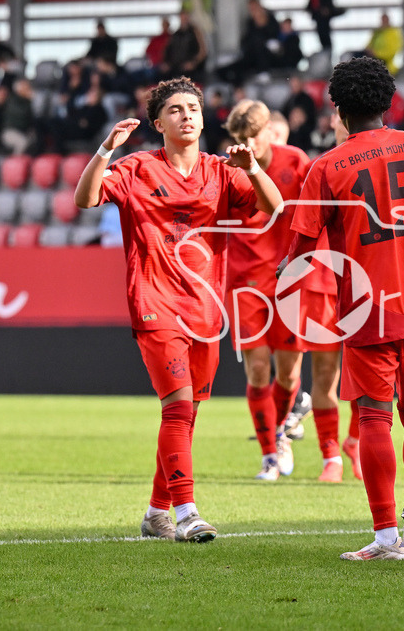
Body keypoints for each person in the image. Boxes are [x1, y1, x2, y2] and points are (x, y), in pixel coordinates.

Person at [72, 76, 283, 542]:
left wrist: (253, 168)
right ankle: (188, 513)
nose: (186, 115)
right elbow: (85, 199)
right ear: (157, 123)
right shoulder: (137, 168)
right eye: (175, 110)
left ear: (204, 119)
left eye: (193, 108)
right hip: (154, 302)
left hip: (205, 309)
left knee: (185, 415)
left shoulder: (220, 169)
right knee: (178, 407)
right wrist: (105, 149)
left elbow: (274, 207)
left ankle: (156, 512)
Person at [284, 56, 404, 561]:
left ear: (337, 107)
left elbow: (299, 252)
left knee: (374, 420)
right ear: (388, 101)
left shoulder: (326, 167)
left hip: (366, 311)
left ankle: (388, 538)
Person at [223, 99, 348, 483]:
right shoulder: (227, 168)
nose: (249, 144)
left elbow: (323, 210)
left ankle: (313, 446)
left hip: (293, 278)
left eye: (254, 136)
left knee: (290, 374)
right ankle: (269, 454)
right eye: (241, 137)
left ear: (269, 132)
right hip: (246, 278)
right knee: (259, 367)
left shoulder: (296, 162)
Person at [164, 12, 207, 84]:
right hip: (176, 67)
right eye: (182, 17)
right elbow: (168, 50)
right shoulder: (176, 34)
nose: (183, 19)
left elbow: (203, 51)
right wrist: (166, 63)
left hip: (193, 69)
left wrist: (193, 63)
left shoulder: (195, 32)